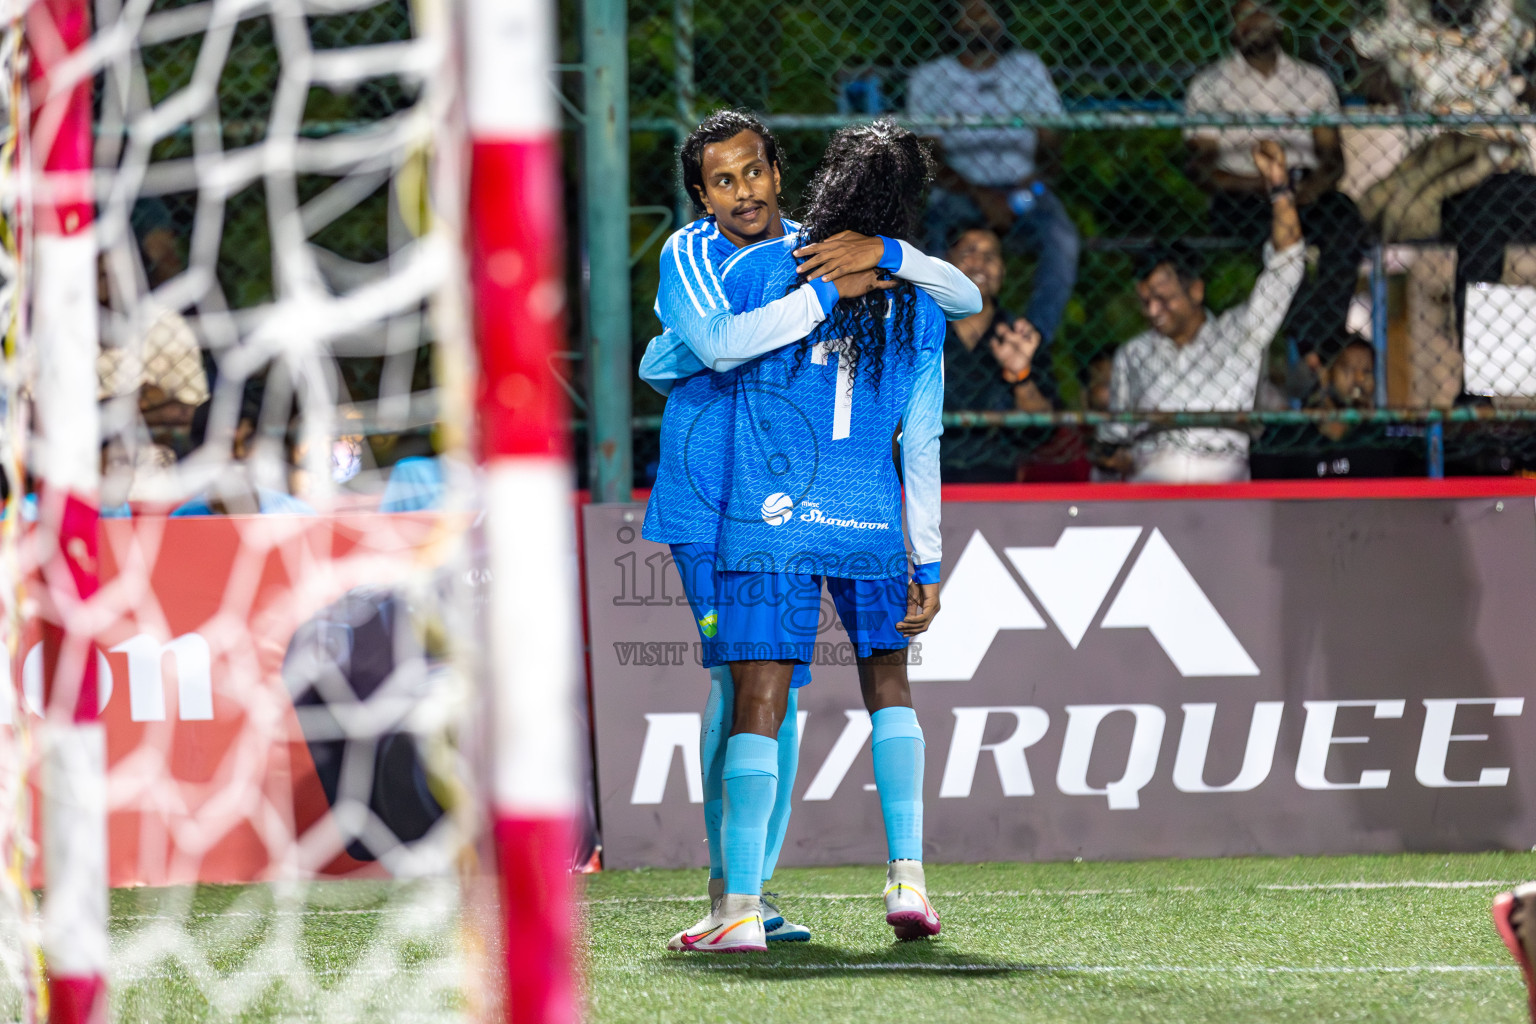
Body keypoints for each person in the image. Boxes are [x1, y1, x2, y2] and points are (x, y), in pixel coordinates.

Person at [638, 109, 980, 946]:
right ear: (700, 193)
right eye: (724, 179)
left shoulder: (796, 252)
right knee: (745, 684)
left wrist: (873, 262)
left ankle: (745, 899)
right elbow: (689, 352)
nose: (744, 189)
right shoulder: (699, 252)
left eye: (754, 171)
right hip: (711, 499)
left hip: (771, 511)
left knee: (771, 690)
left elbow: (692, 352)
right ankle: (734, 894)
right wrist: (838, 287)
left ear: (785, 174)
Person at [1099, 141, 1304, 483]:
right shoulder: (1132, 355)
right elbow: (1112, 441)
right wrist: (1120, 451)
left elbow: (1287, 266)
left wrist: (1280, 189)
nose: (1152, 309)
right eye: (1145, 299)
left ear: (1195, 290)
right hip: (1151, 498)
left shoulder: (1241, 333)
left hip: (1224, 495)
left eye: (1163, 298)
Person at [1185, 0, 1368, 360]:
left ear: (1278, 20)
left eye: (1261, 10)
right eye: (1244, 14)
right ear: (1231, 26)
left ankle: (1321, 343)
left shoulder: (1311, 80)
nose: (1254, 22)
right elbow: (1200, 167)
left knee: (1345, 221)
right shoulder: (1209, 85)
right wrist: (1267, 187)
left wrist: (1302, 191)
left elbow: (1333, 158)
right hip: (1243, 192)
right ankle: (1315, 352)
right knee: (1282, 247)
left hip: (1304, 189)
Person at [1352, 0, 1536, 337]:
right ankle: (1478, 371)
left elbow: (1524, 45)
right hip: (1456, 179)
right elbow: (1359, 46)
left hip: (1511, 170)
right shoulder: (1409, 34)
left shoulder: (1501, 29)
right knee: (1484, 223)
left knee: (1506, 197)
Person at [906, 0, 1080, 350]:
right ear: (952, 22)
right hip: (958, 191)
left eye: (986, 10)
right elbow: (930, 158)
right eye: (969, 11)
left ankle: (1031, 342)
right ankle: (944, 344)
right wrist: (982, 196)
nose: (978, 19)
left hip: (1022, 189)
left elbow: (1052, 146)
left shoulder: (1027, 68)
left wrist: (1025, 189)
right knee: (933, 241)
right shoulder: (931, 78)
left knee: (1063, 239)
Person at [939, 226, 1051, 482]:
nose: (980, 264)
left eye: (991, 257)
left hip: (998, 479)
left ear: (1002, 272)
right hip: (921, 476)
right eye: (969, 252)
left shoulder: (1021, 336)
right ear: (946, 265)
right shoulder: (918, 329)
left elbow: (1044, 427)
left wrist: (1020, 375)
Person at [1249, 335, 1426, 478]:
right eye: (1348, 370)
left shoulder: (1386, 432)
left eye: (1367, 371)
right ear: (1326, 376)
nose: (1359, 379)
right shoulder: (1289, 435)